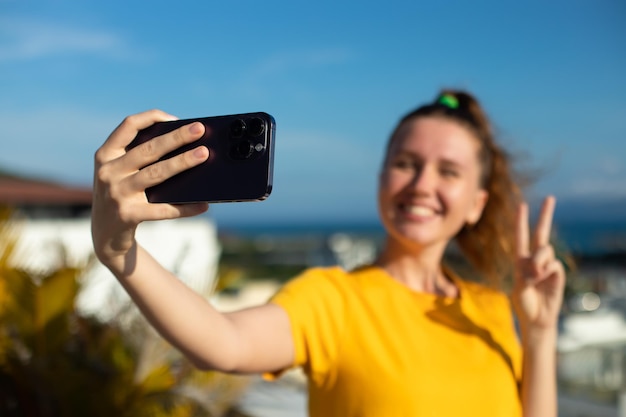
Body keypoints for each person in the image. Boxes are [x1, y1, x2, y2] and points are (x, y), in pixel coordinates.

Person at [91, 89, 565, 416]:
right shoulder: (334, 300)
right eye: (406, 164)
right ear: (382, 178)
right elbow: (224, 343)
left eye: (449, 171)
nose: (422, 185)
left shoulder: (494, 309)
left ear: (477, 204)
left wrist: (541, 331)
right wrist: (118, 251)